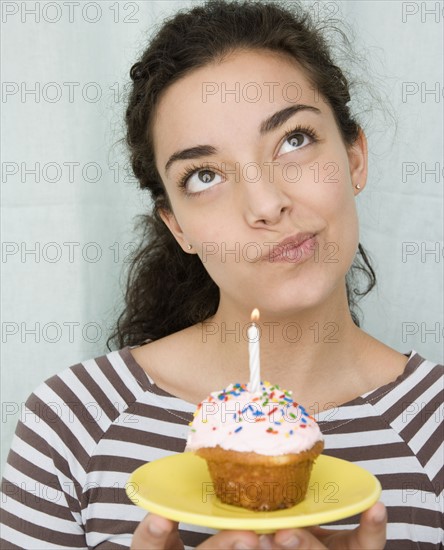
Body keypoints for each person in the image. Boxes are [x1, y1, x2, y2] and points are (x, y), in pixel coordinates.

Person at [1, 0, 442, 548]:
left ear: (355, 157)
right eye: (205, 175)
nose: (265, 203)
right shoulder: (71, 423)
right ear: (177, 226)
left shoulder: (437, 429)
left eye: (294, 140)